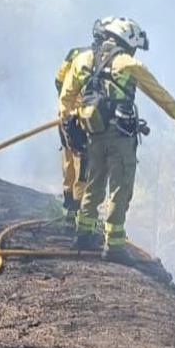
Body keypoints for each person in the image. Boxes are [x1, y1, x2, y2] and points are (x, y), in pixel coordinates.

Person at [58, 16, 175, 265]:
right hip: (120, 138)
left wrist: (68, 126)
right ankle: (114, 246)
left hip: (92, 135)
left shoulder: (82, 60)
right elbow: (158, 93)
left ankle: (84, 233)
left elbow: (66, 97)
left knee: (94, 182)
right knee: (120, 188)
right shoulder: (129, 64)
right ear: (124, 42)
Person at [54, 20, 106, 226]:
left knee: (68, 158)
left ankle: (69, 210)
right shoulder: (107, 60)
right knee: (84, 162)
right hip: (85, 117)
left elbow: (59, 80)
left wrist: (66, 107)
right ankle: (78, 214)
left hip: (66, 114)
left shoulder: (74, 53)